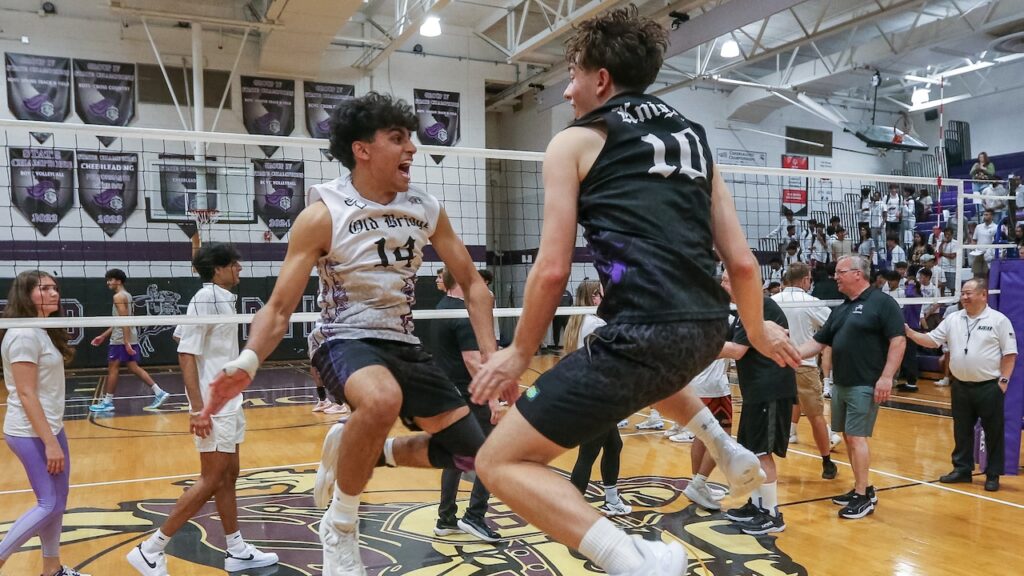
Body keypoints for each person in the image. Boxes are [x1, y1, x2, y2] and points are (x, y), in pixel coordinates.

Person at [467, 7, 799, 574]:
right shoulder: (696, 140)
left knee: (498, 461)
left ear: (600, 79)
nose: (567, 91)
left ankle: (633, 560)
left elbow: (551, 269)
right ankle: (724, 446)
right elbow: (742, 262)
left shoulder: (576, 141)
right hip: (704, 329)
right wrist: (759, 327)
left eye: (572, 75)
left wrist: (519, 350)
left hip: (643, 329)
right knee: (642, 381)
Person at [201, 92, 498, 576]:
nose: (412, 150)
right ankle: (340, 527)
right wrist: (247, 361)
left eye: (411, 139)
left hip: (403, 342)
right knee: (380, 400)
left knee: (473, 456)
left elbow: (473, 284)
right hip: (343, 339)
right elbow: (279, 308)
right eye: (397, 139)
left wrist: (492, 356)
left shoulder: (426, 207)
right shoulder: (324, 212)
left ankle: (368, 449)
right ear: (362, 149)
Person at [128, 244, 278, 575]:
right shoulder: (206, 298)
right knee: (211, 478)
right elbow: (186, 353)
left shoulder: (219, 297)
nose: (240, 267)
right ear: (219, 268)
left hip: (229, 402)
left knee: (229, 475)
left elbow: (184, 335)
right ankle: (151, 549)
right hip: (214, 406)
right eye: (233, 263)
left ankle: (236, 549)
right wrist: (198, 408)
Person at [795, 255, 905, 520]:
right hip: (842, 384)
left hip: (865, 383)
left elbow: (898, 341)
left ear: (858, 274)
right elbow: (818, 342)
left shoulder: (882, 302)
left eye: (840, 272)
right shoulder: (843, 308)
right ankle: (864, 488)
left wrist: (887, 377)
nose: (835, 277)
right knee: (847, 436)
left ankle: (862, 497)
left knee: (857, 438)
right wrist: (789, 356)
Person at [0, 271, 89, 576]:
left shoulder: (41, 328)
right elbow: (25, 393)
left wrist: (53, 436)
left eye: (55, 288)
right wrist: (50, 443)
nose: (54, 293)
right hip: (29, 432)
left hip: (50, 427)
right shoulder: (23, 334)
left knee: (58, 501)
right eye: (45, 288)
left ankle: (52, 569)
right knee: (48, 503)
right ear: (26, 295)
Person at [904, 279, 1016, 491]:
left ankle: (992, 474)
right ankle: (962, 470)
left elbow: (1010, 354)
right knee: (961, 430)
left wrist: (1002, 382)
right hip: (961, 386)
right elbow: (931, 340)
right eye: (962, 293)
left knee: (993, 432)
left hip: (989, 387)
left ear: (984, 295)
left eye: (969, 293)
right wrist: (910, 333)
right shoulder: (953, 318)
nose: (964, 297)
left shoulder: (998, 320)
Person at [718, 271, 797, 535]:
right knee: (752, 452)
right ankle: (756, 504)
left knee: (763, 452)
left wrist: (697, 347)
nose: (723, 284)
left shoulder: (760, 306)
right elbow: (728, 340)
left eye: (728, 279)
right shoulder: (744, 310)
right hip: (756, 391)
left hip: (770, 389)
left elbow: (736, 350)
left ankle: (771, 514)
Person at [432, 269, 504, 542]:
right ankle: (474, 516)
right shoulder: (463, 315)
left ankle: (446, 517)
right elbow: (473, 362)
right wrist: (493, 398)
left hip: (448, 394)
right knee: (491, 455)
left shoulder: (440, 308)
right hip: (470, 396)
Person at [566, 280, 632, 517]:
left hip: (586, 393)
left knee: (614, 445)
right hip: (597, 397)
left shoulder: (577, 321)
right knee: (588, 453)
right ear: (595, 297)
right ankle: (571, 509)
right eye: (604, 295)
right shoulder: (595, 324)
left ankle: (611, 499)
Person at [772, 263, 841, 479]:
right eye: (809, 279)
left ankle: (766, 462)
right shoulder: (811, 302)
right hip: (803, 366)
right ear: (804, 280)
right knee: (816, 417)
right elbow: (833, 326)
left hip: (775, 366)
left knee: (772, 416)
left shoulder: (771, 302)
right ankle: (827, 463)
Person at [89, 269, 169, 413]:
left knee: (113, 368)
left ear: (118, 281)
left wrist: (125, 342)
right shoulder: (127, 295)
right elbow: (122, 320)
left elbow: (124, 321)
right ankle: (159, 392)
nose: (108, 282)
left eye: (110, 279)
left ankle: (107, 402)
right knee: (133, 367)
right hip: (128, 335)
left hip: (121, 338)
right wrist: (103, 336)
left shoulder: (118, 297)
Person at [679, 358, 733, 509]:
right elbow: (735, 350)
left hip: (698, 381)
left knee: (702, 435)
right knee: (722, 435)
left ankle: (697, 484)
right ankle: (699, 484)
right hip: (713, 385)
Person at [936, 228, 959, 296]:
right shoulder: (941, 243)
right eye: (946, 234)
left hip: (951, 269)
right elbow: (938, 253)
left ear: (952, 235)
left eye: (949, 234)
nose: (947, 236)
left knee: (952, 287)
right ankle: (942, 302)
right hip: (941, 268)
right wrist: (942, 243)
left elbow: (952, 256)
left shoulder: (956, 243)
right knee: (942, 287)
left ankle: (954, 301)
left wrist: (942, 254)